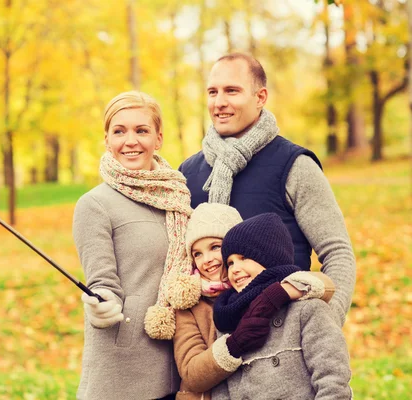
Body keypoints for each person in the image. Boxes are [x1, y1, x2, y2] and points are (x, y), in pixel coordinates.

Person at [179, 52, 356, 326]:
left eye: (232, 91)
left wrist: (323, 329)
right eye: (212, 92)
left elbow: (337, 253)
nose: (219, 102)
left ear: (260, 97)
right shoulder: (187, 173)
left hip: (281, 338)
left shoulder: (294, 164)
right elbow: (175, 263)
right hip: (210, 344)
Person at [73, 91, 196, 399]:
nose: (130, 141)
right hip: (125, 374)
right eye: (119, 131)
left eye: (141, 130)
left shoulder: (178, 197)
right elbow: (102, 281)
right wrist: (100, 305)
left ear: (158, 139)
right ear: (107, 140)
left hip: (183, 362)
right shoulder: (95, 205)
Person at [173, 203, 335, 400]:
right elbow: (199, 377)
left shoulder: (277, 293)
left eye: (215, 247)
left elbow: (321, 285)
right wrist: (236, 342)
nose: (206, 259)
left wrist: (276, 294)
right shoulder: (195, 305)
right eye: (197, 253)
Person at [212, 213, 352, 399]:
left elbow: (333, 379)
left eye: (243, 257)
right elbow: (222, 391)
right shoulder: (228, 320)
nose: (234, 269)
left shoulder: (307, 310)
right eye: (230, 263)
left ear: (268, 256)